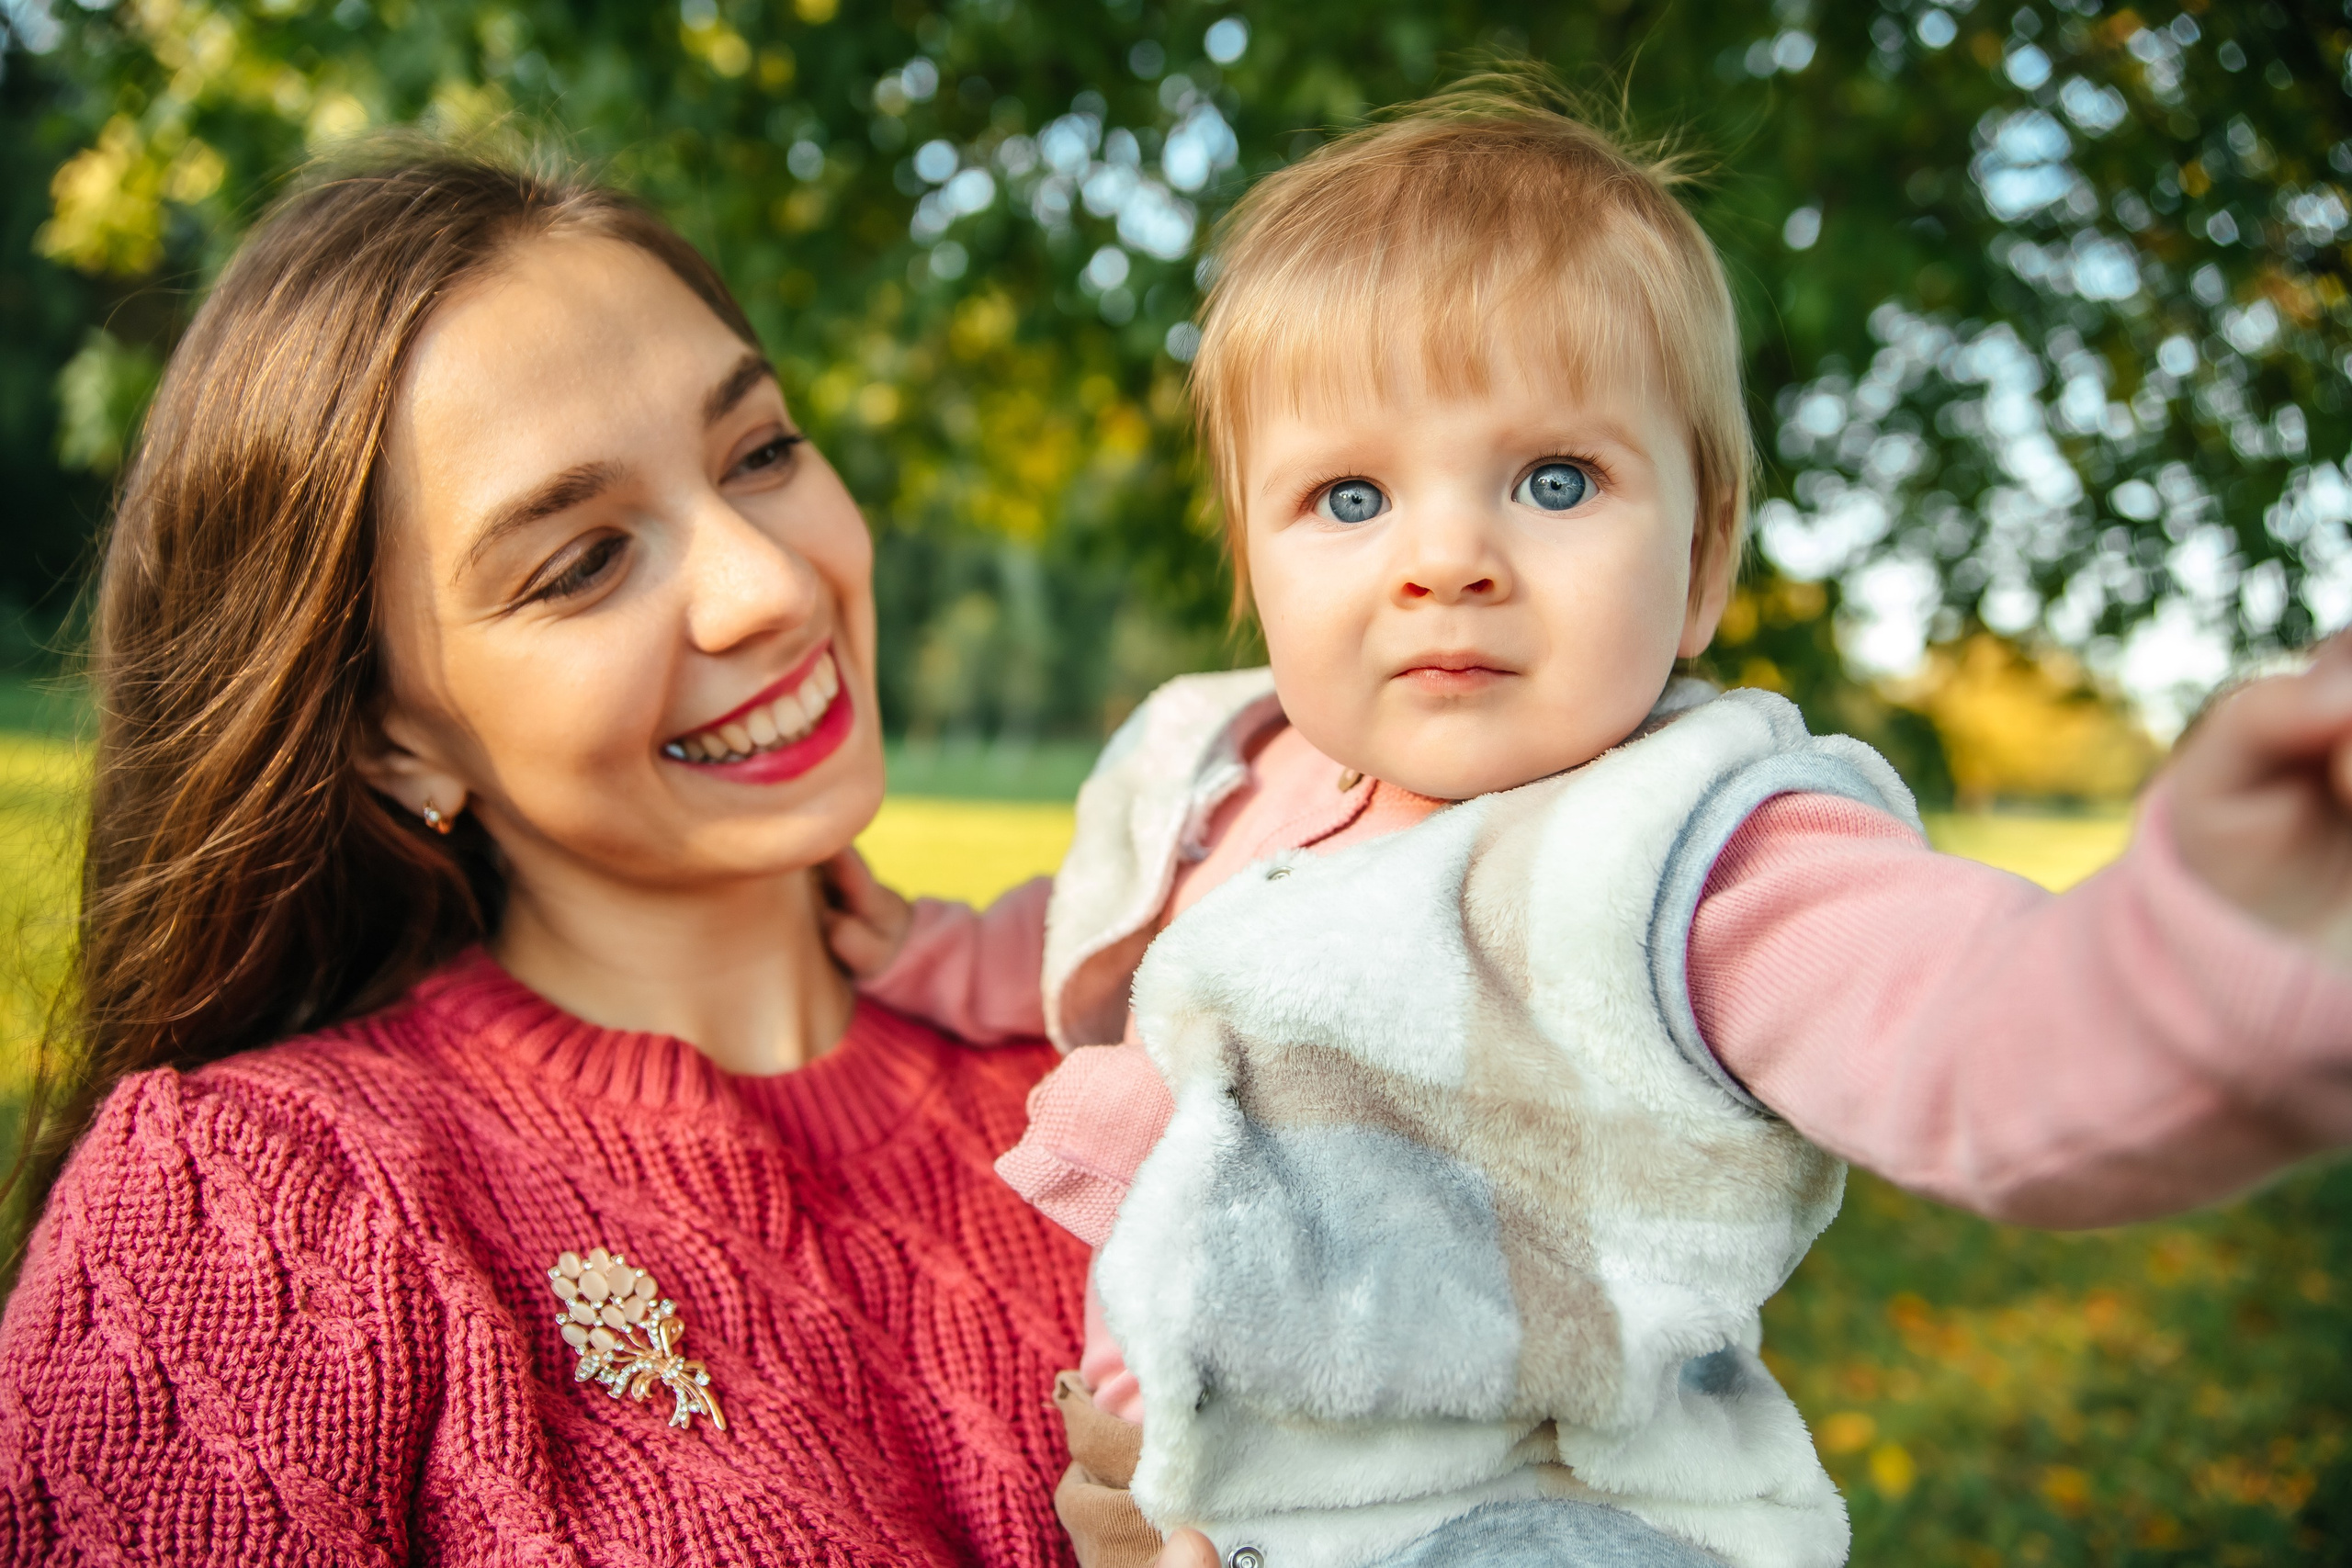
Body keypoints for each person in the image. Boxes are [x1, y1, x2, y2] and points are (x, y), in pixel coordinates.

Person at [827, 83, 2352, 1568]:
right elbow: (1115, 926)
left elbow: (1974, 1038)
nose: (1446, 557)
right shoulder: (1232, 770)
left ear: (1702, 564)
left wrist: (2214, 952)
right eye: (1349, 499)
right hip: (1200, 1489)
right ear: (1252, 567)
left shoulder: (1692, 860)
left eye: (1556, 478)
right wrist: (930, 949)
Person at [0, 149, 1097, 1563]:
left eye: (761, 453)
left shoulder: (1134, 1070)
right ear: (393, 739)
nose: (769, 587)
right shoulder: (256, 1210)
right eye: (581, 562)